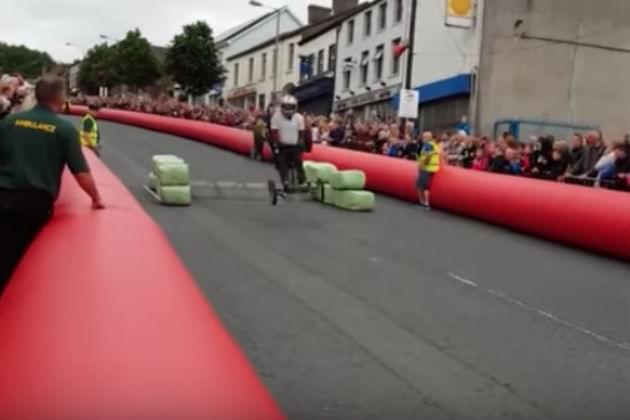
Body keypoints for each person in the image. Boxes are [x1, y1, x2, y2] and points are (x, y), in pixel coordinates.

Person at [0, 76, 104, 291]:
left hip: (4, 196)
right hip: (34, 205)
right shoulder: (64, 129)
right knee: (21, 263)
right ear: (60, 98)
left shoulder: (10, 122)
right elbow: (81, 173)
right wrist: (96, 197)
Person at [270, 94, 306, 190]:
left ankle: (302, 178)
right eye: (286, 107)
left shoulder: (299, 118)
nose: (288, 109)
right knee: (282, 162)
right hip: (282, 146)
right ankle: (285, 180)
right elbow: (274, 133)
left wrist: (300, 142)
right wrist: (277, 142)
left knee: (299, 160)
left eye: (291, 107)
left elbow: (301, 133)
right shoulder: (276, 117)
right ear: (282, 106)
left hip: (294, 145)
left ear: (295, 107)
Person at [417, 131, 442, 209]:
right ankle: (423, 202)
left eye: (424, 137)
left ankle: (425, 203)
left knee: (423, 186)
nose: (422, 139)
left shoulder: (428, 145)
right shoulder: (434, 145)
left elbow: (427, 156)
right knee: (424, 185)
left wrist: (421, 165)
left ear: (428, 138)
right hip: (433, 167)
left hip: (427, 168)